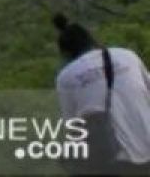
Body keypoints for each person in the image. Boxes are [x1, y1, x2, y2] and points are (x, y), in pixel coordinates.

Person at [54, 14, 150, 175]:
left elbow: (73, 126)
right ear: (92, 41)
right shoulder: (127, 56)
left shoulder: (66, 77)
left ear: (66, 53)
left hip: (115, 157)